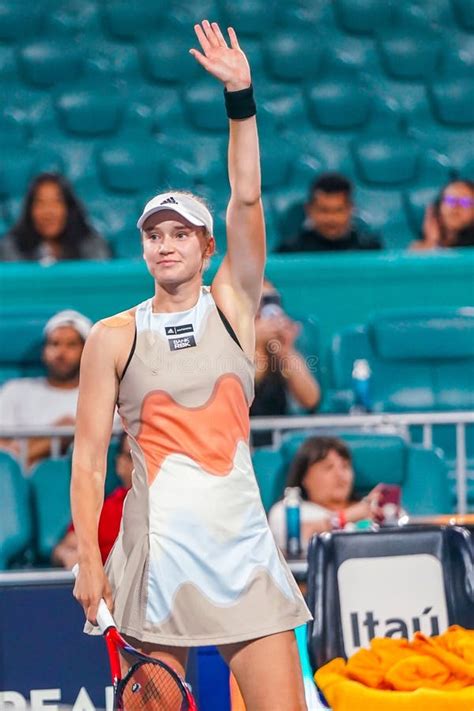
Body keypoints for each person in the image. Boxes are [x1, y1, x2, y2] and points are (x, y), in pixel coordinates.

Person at [71, 21, 310, 711]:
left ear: (206, 245)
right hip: (154, 559)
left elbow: (249, 199)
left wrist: (241, 97)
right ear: (142, 247)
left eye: (179, 233)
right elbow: (88, 462)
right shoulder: (113, 337)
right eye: (153, 234)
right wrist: (91, 559)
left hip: (242, 552)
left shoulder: (233, 303)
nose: (164, 244)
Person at [0, 309, 92, 467]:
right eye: (54, 344)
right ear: (44, 351)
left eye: (71, 345)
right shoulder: (15, 390)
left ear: (87, 351)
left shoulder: (101, 397)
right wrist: (55, 438)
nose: (61, 353)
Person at [269, 436, 383, 552]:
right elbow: (297, 540)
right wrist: (345, 517)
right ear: (304, 477)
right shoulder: (289, 511)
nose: (340, 474)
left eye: (345, 466)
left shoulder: (373, 509)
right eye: (328, 467)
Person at [251, 279, 320, 446]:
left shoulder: (279, 348)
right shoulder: (224, 341)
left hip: (277, 443)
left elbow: (311, 400)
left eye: (269, 301)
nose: (263, 311)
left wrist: (285, 351)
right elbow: (239, 391)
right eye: (256, 301)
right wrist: (252, 340)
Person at [52, 433, 133, 570]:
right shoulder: (104, 509)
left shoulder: (171, 506)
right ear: (120, 464)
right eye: (133, 456)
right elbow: (62, 549)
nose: (142, 464)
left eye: (148, 457)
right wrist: (70, 556)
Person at [0, 172, 110, 263]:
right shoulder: (12, 246)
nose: (48, 212)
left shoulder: (92, 245)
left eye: (56, 202)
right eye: (40, 202)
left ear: (69, 209)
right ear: (30, 210)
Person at [278, 172, 382, 253]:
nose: (331, 218)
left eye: (338, 210)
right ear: (308, 209)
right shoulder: (289, 251)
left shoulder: (370, 249)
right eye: (324, 210)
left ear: (351, 209)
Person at [410, 179, 474, 251]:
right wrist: (431, 242)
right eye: (450, 200)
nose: (455, 206)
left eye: (465, 202)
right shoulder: (420, 250)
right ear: (439, 207)